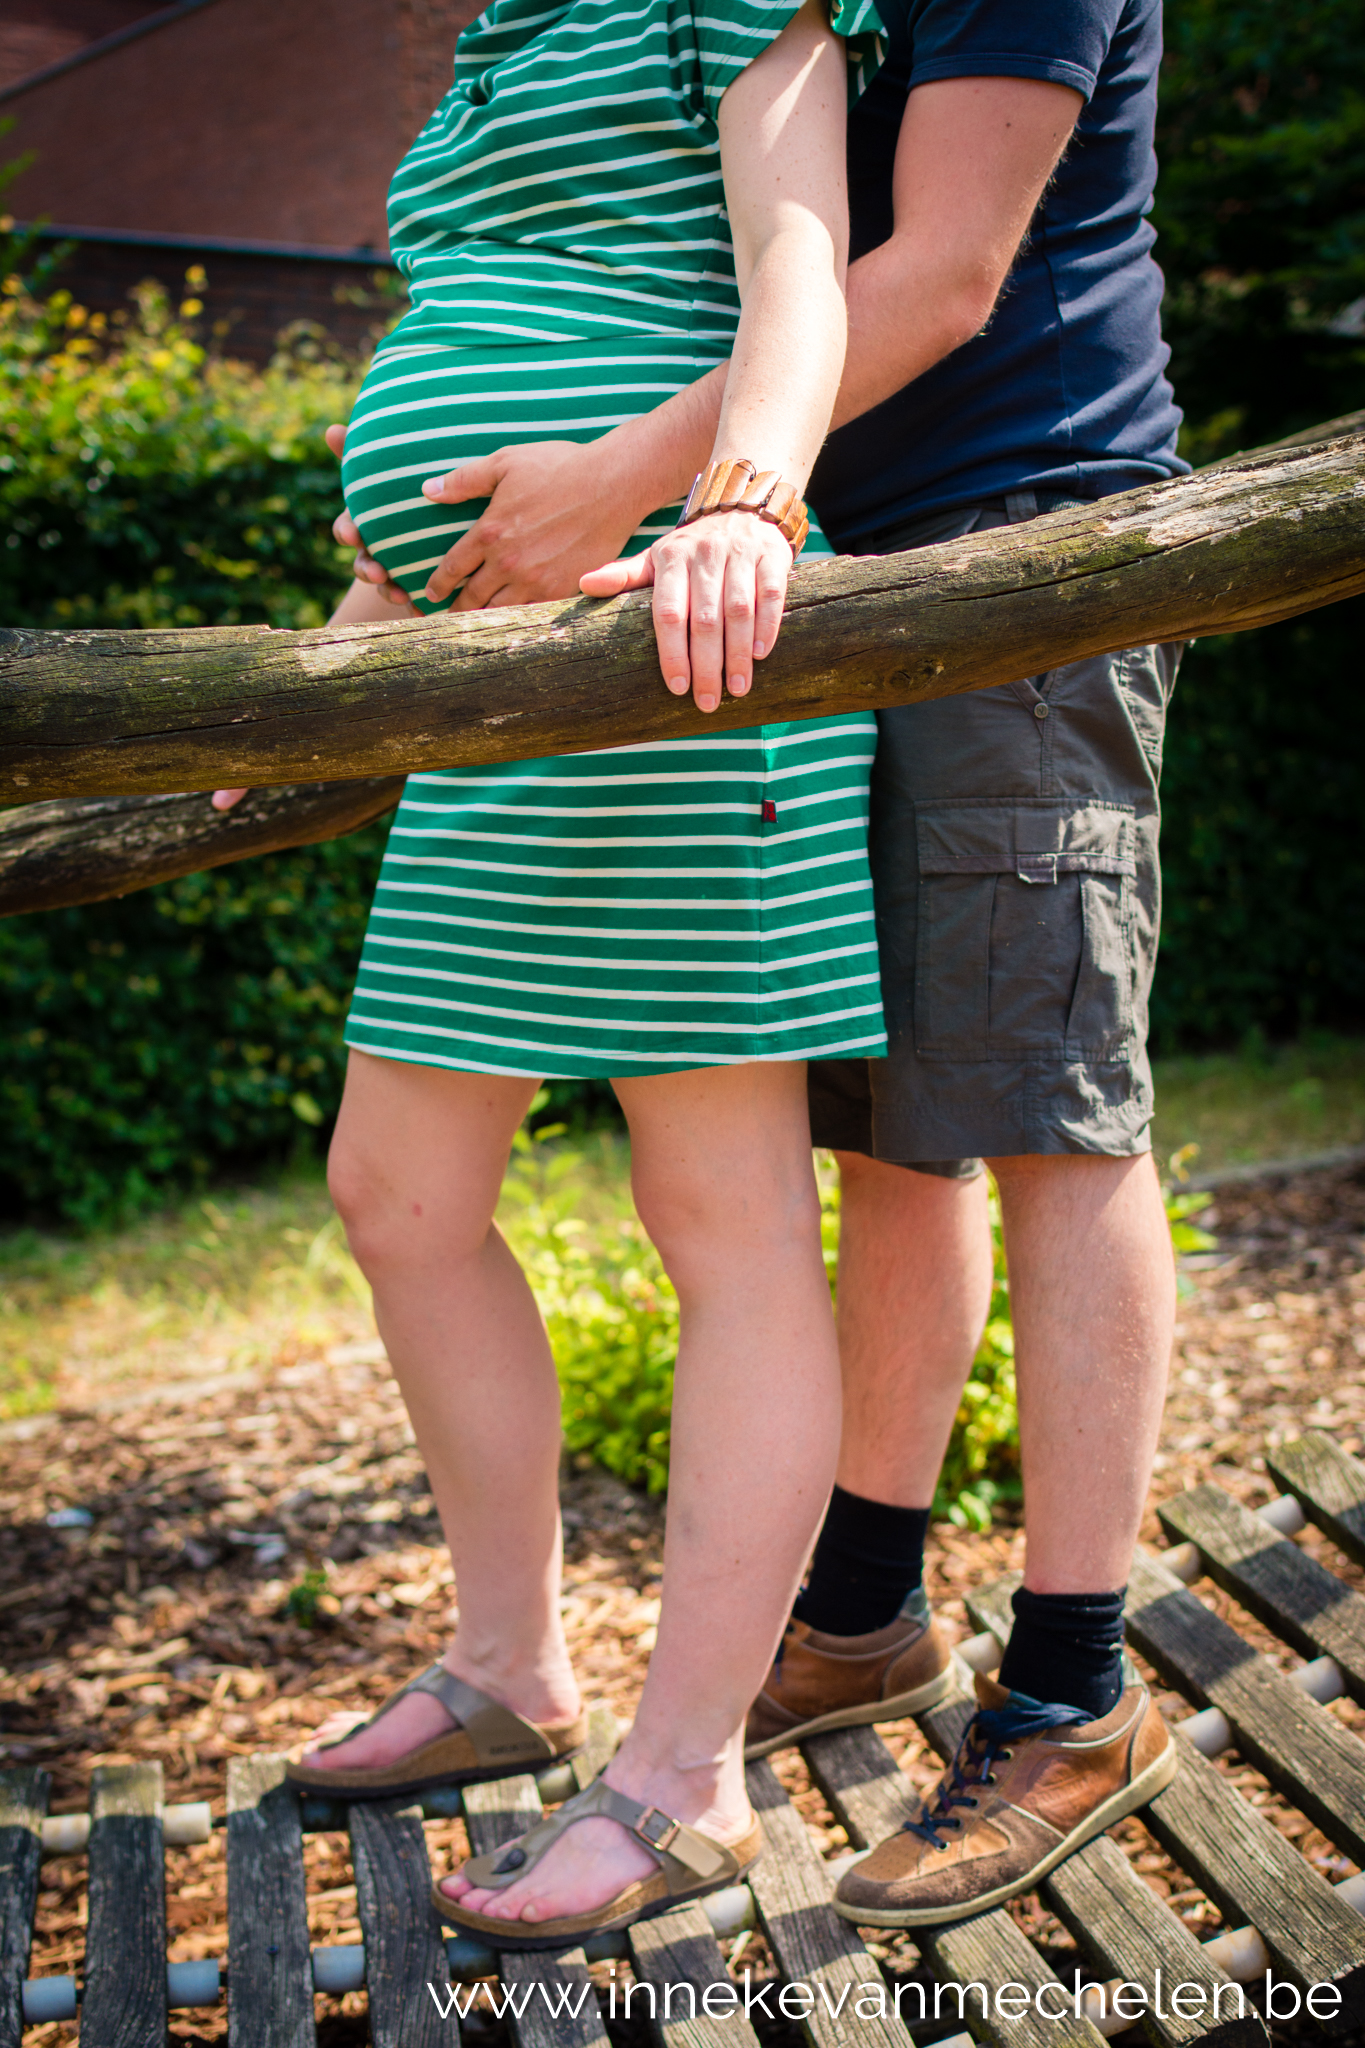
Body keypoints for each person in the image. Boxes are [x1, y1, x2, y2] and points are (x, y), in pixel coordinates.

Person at [336, 0, 1186, 1927]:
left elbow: (937, 270)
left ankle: (1073, 1689)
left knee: (1045, 1111)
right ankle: (861, 1614)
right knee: (895, 1142)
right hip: (814, 567)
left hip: (1008, 534)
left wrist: (689, 480)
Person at [219, 0, 895, 1947]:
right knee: (396, 1189)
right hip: (483, 690)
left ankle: (689, 1781)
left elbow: (799, 268)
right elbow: (476, 337)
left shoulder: (717, 1)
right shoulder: (487, 43)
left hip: (666, 644)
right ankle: (509, 1663)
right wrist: (352, 627)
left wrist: (741, 503)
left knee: (723, 1215)